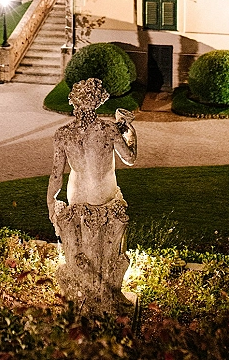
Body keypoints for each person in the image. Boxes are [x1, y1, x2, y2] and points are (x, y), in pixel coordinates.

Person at [47, 77, 137, 313]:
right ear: (98, 103)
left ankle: (82, 294)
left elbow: (56, 175)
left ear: (75, 104)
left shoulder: (63, 134)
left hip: (76, 197)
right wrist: (130, 133)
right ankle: (103, 294)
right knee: (106, 251)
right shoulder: (109, 130)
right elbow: (130, 158)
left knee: (78, 249)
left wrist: (51, 204)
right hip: (104, 196)